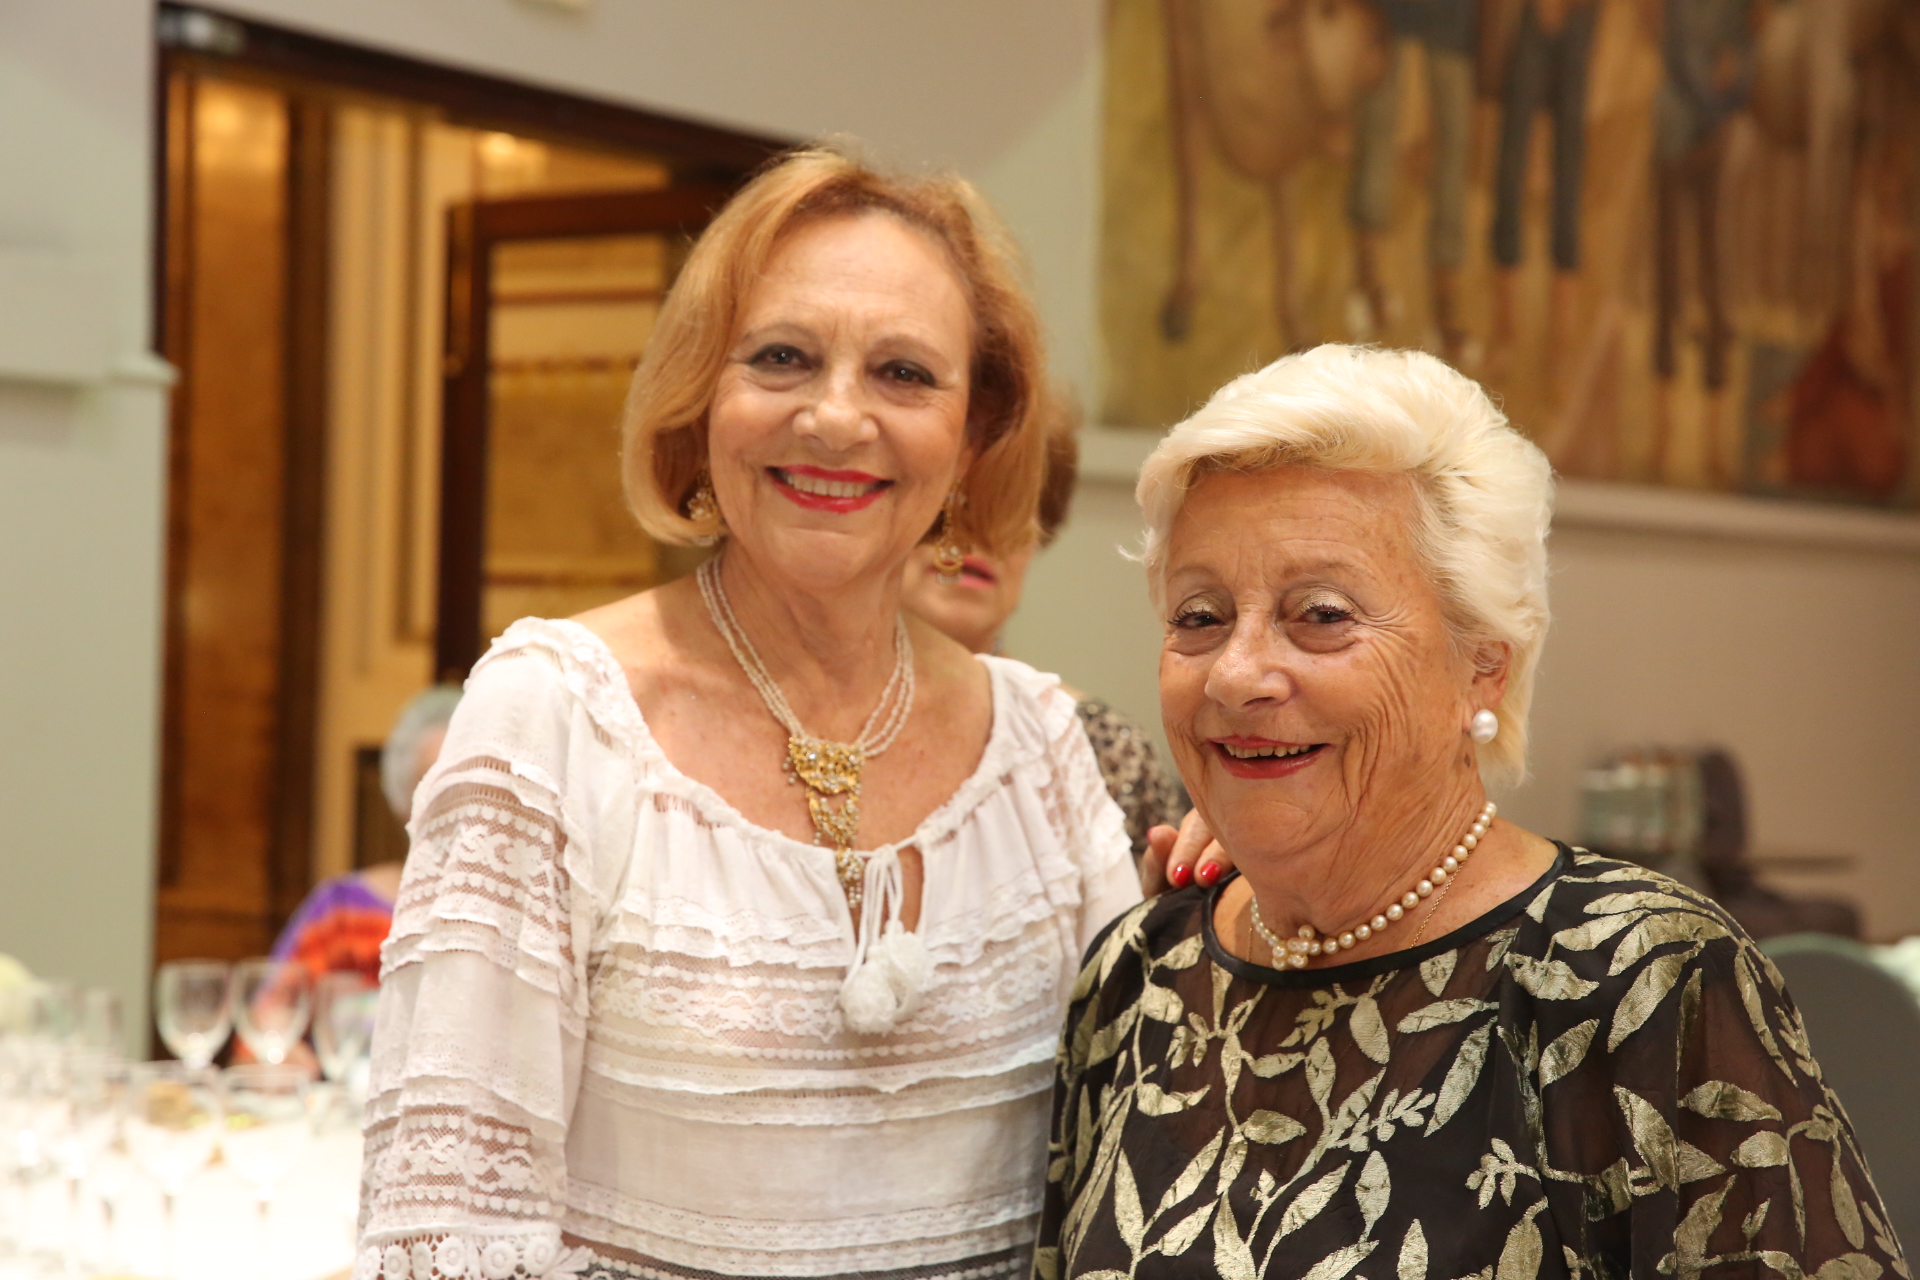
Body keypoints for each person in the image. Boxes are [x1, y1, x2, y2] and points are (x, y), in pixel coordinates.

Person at [355, 149, 1143, 1280]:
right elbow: (450, 1237)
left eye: (904, 373)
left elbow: (1131, 1170)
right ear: (698, 397)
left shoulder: (1041, 748)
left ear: (975, 433)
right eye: (782, 357)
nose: (835, 416)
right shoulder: (556, 717)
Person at [1034, 345, 1905, 1277]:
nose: (1237, 673)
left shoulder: (1637, 981)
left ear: (1482, 667)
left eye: (1320, 614)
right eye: (1200, 616)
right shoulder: (1140, 973)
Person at [900, 413, 1186, 859]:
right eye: (951, 502)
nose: (978, 533)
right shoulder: (801, 729)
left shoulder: (1105, 752)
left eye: (1010, 505)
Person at [269, 685, 461, 985]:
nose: (457, 803)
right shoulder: (341, 910)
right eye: (435, 786)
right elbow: (272, 1008)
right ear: (403, 800)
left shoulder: (522, 919)